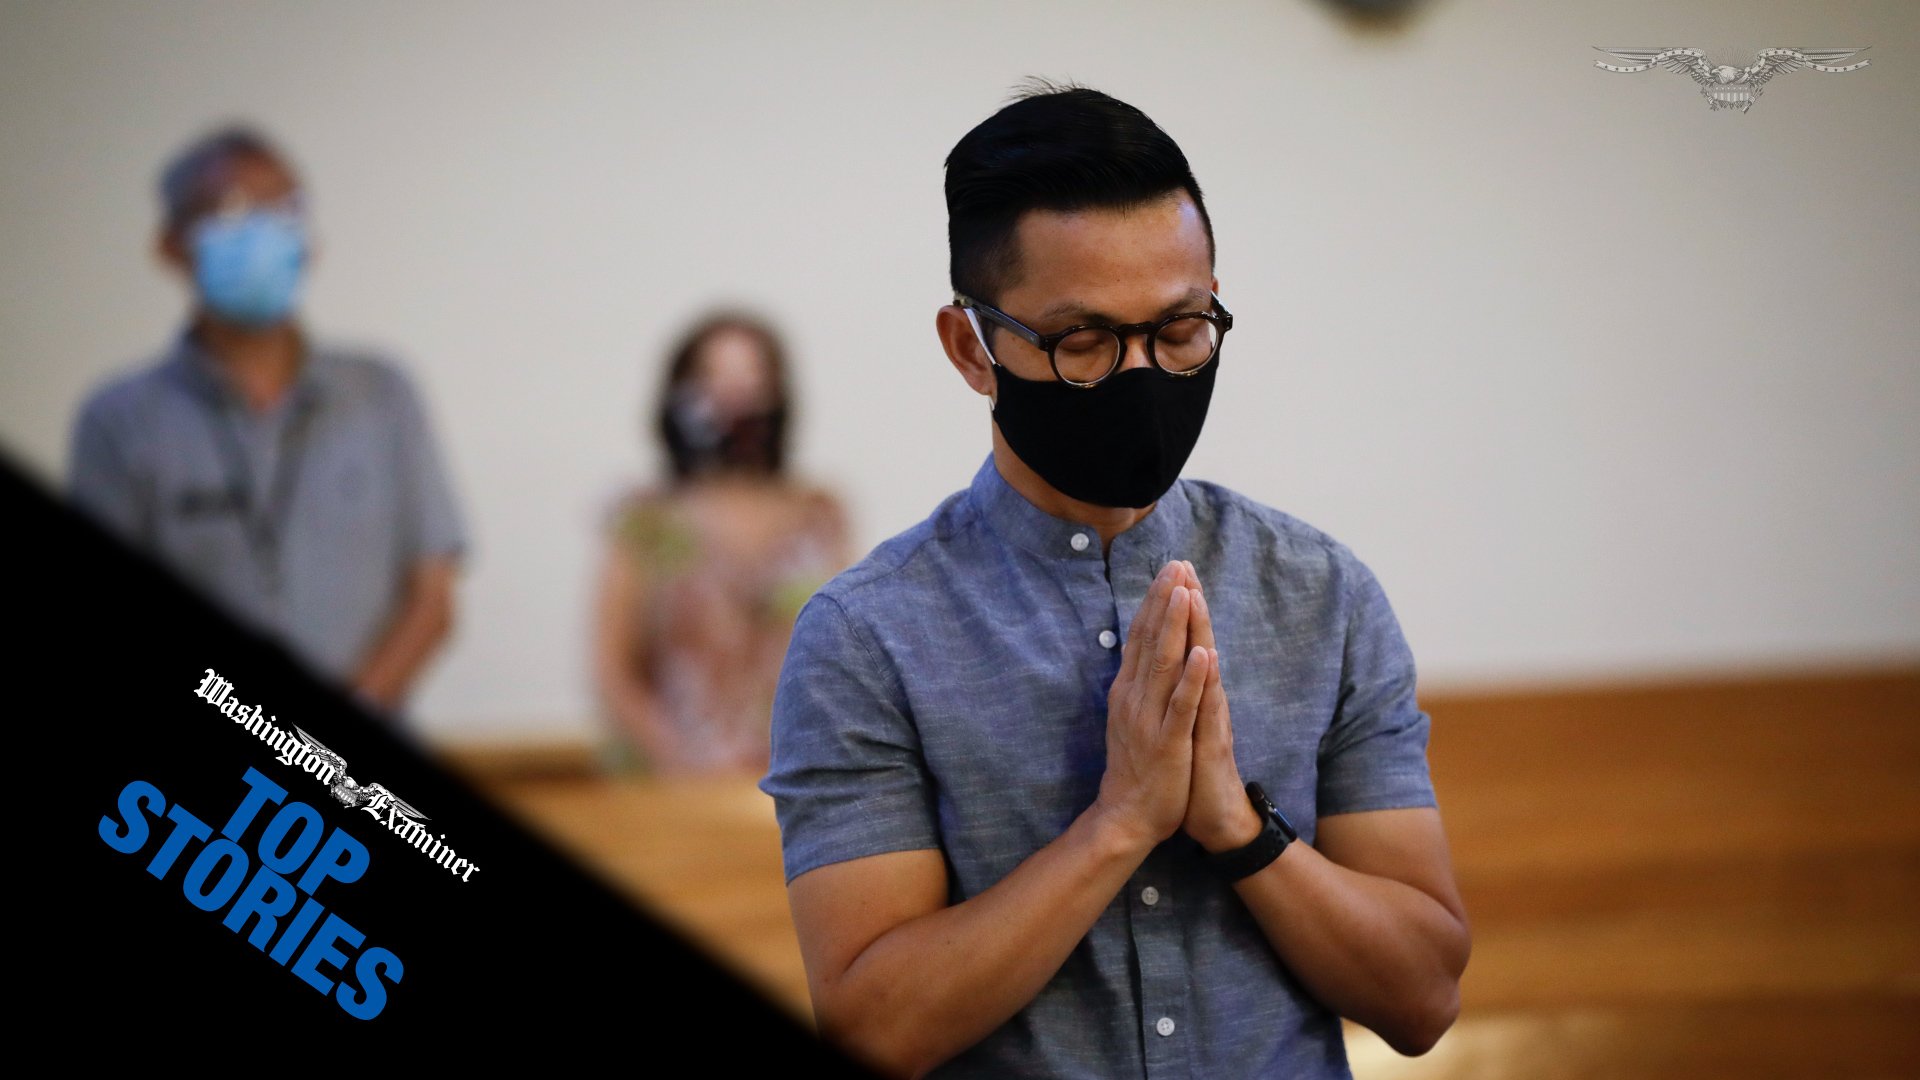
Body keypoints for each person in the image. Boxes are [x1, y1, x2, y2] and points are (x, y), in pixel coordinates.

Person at [762, 85, 1470, 1078]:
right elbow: (876, 1027)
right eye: (1084, 343)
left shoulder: (1321, 594)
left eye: (1180, 331)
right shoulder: (868, 637)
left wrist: (1237, 828)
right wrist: (1119, 825)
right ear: (972, 348)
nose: (1143, 377)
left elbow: (1422, 996)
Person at [68, 127, 465, 717]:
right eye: (231, 210)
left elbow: (433, 597)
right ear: (171, 245)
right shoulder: (121, 418)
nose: (261, 230)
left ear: (310, 243)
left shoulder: (381, 394)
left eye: (284, 208)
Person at [595, 315, 849, 775]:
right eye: (713, 375)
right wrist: (683, 766)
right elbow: (614, 671)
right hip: (675, 781)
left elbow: (842, 655)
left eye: (752, 375)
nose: (735, 395)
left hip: (792, 776)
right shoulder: (646, 522)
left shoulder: (818, 515)